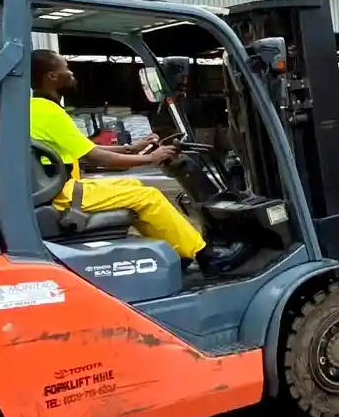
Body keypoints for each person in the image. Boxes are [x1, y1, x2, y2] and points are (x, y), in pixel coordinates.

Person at [29, 50, 245, 273]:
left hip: (58, 188)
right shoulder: (48, 111)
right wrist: (150, 158)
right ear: (52, 76)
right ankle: (207, 256)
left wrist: (131, 148)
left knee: (135, 186)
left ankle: (179, 252)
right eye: (66, 68)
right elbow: (93, 156)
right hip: (62, 194)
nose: (71, 73)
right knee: (148, 196)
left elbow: (85, 147)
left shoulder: (38, 108)